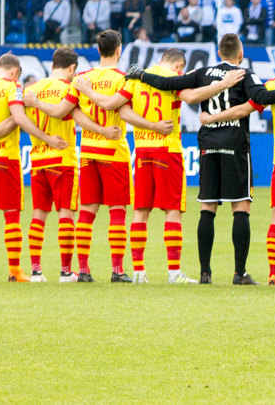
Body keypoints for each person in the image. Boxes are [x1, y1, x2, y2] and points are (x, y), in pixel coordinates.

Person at [130, 32, 275, 284]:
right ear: (240, 55)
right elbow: (263, 98)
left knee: (207, 208)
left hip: (207, 146)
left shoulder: (202, 73)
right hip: (235, 146)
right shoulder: (245, 75)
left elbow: (169, 84)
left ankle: (205, 273)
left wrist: (141, 75)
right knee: (241, 207)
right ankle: (239, 273)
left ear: (219, 53)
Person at [77, 46, 236, 283]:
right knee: (172, 209)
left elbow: (121, 111)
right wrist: (223, 84)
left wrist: (146, 126)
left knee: (141, 210)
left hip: (142, 151)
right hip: (167, 150)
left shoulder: (134, 79)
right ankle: (173, 273)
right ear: (180, 65)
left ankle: (139, 272)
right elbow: (192, 97)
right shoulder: (175, 78)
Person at [19, 47, 124, 281]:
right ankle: (66, 271)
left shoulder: (31, 90)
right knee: (66, 213)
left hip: (37, 159)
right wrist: (103, 131)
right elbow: (76, 117)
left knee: (38, 214)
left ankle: (36, 271)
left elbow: (20, 120)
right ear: (72, 68)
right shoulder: (69, 88)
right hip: (63, 159)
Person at [0, 52, 65, 281]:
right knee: (11, 215)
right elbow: (18, 119)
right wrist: (47, 138)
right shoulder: (14, 86)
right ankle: (15, 271)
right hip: (6, 159)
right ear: (15, 72)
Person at [71, 30, 137, 281]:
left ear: (98, 50)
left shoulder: (82, 78)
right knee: (117, 211)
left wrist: (95, 130)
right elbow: (123, 111)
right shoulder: (124, 79)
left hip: (87, 150)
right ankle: (118, 271)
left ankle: (84, 270)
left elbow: (73, 112)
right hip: (114, 151)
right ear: (119, 50)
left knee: (87, 211)